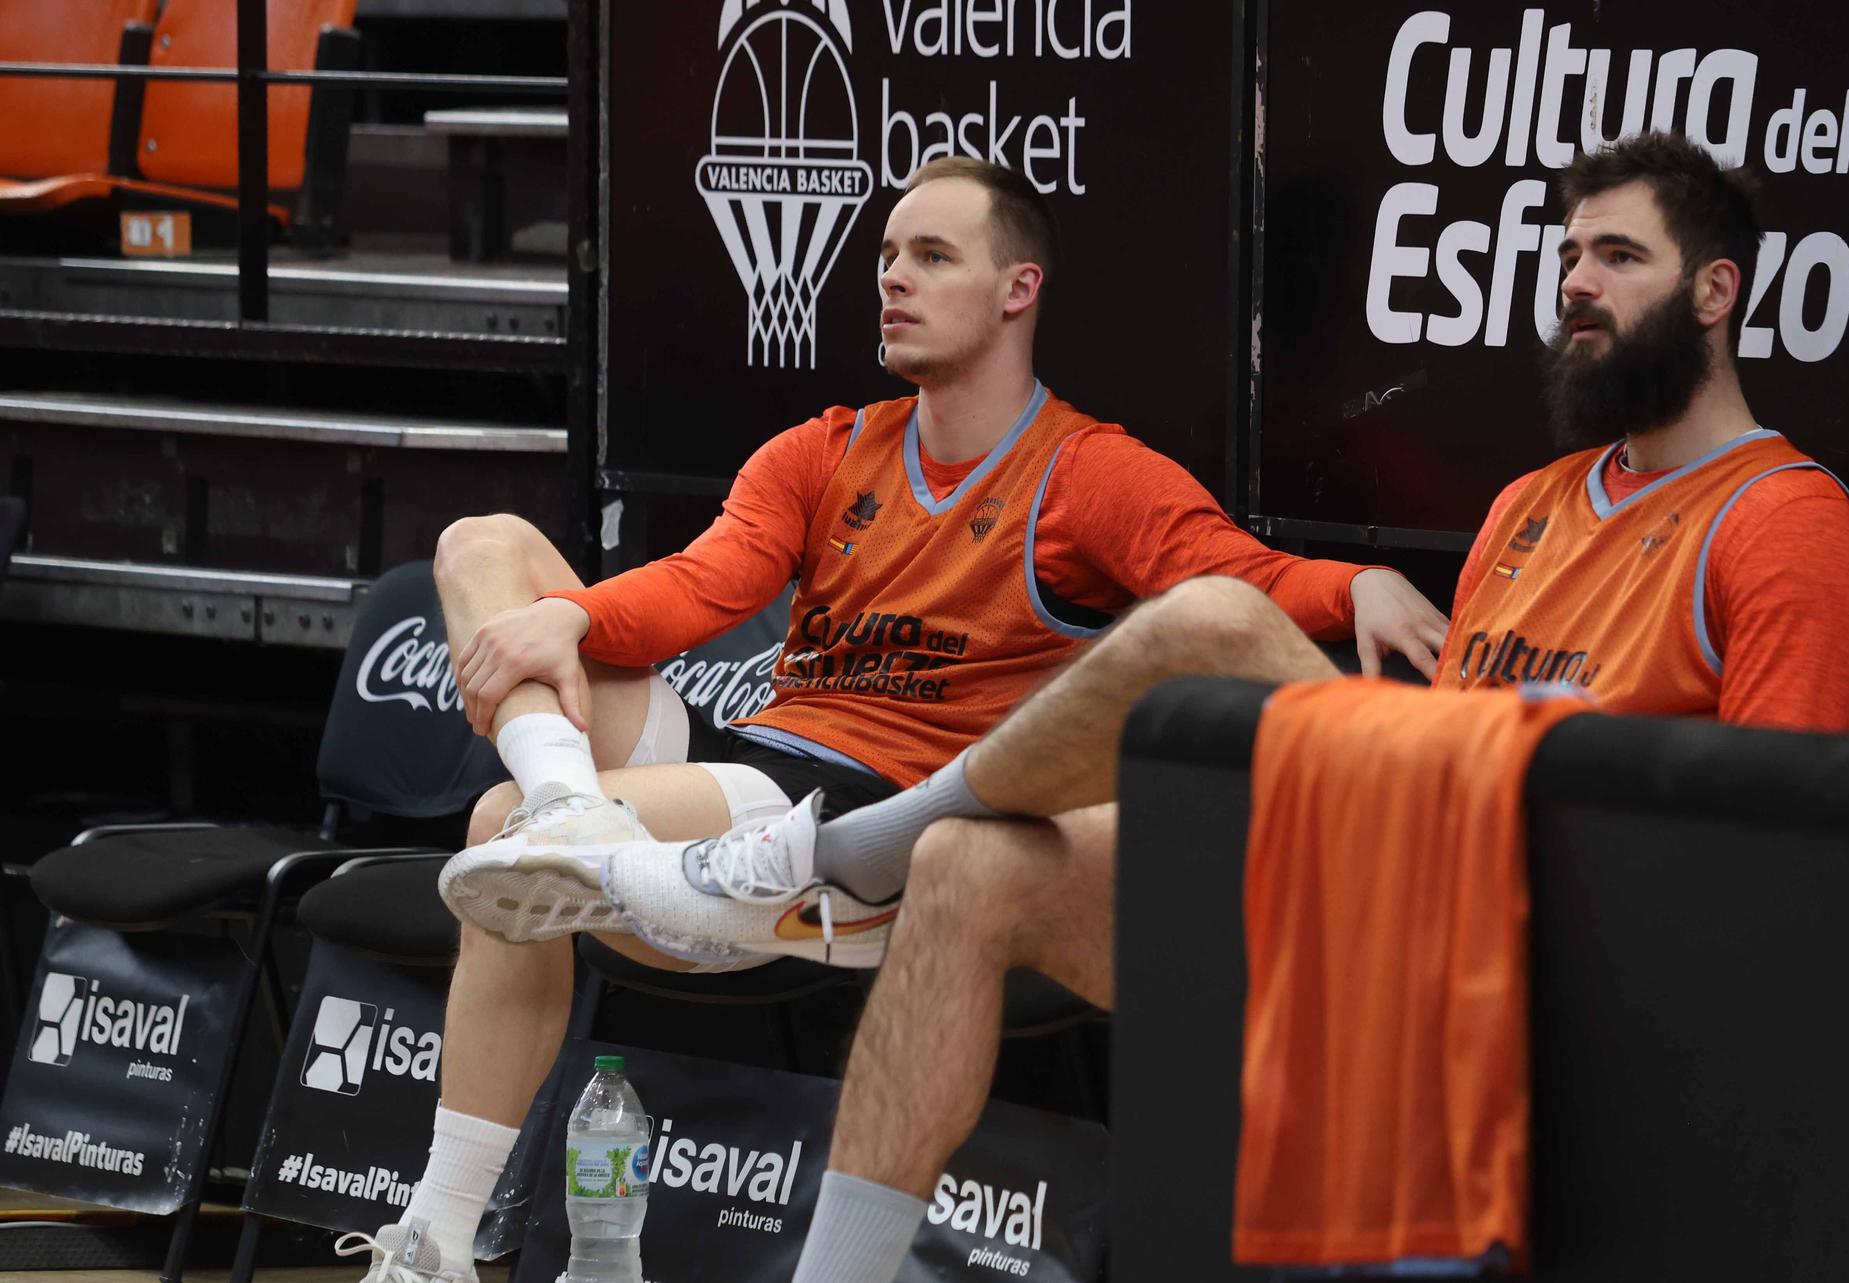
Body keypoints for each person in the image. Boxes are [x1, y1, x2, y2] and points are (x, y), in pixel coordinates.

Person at [455, 131, 1849, 1282]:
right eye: (1568, 255)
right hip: (1394, 867)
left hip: (1536, 918)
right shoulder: (1531, 501)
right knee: (968, 866)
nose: (1577, 284)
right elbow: (703, 581)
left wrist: (1329, 606)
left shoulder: (1784, 526)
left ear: (1716, 291)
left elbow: (1763, 859)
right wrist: (574, 616)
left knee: (1201, 623)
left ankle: (828, 856)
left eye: (1619, 257)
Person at [341, 155, 1444, 1283]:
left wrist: (1348, 584)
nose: (893, 280)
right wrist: (566, 619)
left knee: (492, 822)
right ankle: (564, 814)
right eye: (885, 257)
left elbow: (1229, 578)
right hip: (761, 754)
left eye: (931, 256)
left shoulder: (1085, 471)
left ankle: (438, 1234)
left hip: (883, 803)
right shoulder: (825, 446)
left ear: (1016, 289)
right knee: (480, 545)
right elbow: (701, 584)